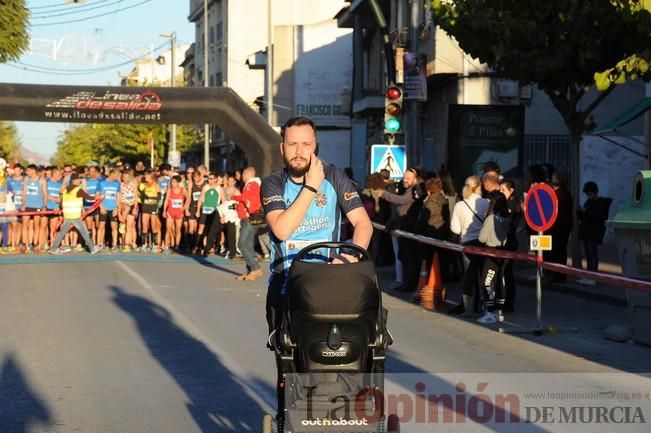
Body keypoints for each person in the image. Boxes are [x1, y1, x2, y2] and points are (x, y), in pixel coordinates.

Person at [260, 116, 372, 426]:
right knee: (291, 360)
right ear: (282, 148)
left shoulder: (336, 177)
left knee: (349, 350)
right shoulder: (272, 184)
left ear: (315, 146)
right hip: (287, 284)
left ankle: (345, 410)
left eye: (306, 144)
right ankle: (290, 416)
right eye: (293, 144)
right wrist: (310, 187)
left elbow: (362, 224)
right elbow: (282, 229)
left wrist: (348, 259)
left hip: (330, 284)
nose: (299, 151)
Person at [450, 175, 489, 316]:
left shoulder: (460, 205)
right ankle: (484, 304)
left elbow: (455, 229)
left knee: (468, 275)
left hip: (467, 244)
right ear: (478, 186)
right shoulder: (487, 202)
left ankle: (469, 306)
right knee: (484, 275)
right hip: (484, 243)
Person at [477, 190, 511, 324]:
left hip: (491, 253)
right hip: (504, 253)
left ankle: (490, 311)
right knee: (500, 281)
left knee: (487, 281)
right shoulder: (508, 218)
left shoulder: (491, 218)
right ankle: (499, 311)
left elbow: (481, 238)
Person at [49, 173, 102, 255]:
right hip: (75, 216)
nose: (80, 181)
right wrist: (100, 197)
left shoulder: (66, 190)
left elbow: (62, 202)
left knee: (62, 233)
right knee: (84, 232)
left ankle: (53, 249)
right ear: (76, 181)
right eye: (79, 180)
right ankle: (92, 248)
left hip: (67, 215)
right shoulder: (78, 190)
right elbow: (90, 198)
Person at [577, 181, 612, 285]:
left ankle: (594, 277)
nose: (588, 196)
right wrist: (580, 212)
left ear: (595, 192)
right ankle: (589, 276)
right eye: (587, 194)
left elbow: (598, 217)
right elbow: (584, 217)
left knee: (592, 255)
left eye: (590, 194)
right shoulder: (588, 202)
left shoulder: (600, 203)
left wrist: (585, 212)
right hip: (587, 232)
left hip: (593, 233)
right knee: (588, 255)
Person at [231, 166, 263, 280]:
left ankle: (255, 268)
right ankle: (250, 271)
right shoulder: (250, 184)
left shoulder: (252, 184)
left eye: (244, 174)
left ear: (248, 174)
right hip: (247, 217)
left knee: (241, 244)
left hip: (249, 217)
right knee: (248, 244)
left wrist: (234, 196)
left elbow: (247, 198)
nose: (242, 177)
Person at [545, 171, 573, 283]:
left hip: (556, 226)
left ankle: (556, 275)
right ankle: (560, 275)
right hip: (564, 226)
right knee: (561, 251)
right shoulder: (566, 193)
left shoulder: (556, 194)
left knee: (555, 251)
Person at [499, 179, 522, 312]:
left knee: (507, 273)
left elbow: (510, 226)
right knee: (505, 272)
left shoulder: (513, 205)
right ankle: (505, 299)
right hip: (505, 242)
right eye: (500, 190)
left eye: (503, 190)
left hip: (509, 243)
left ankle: (509, 301)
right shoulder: (505, 203)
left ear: (511, 190)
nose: (501, 193)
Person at [21, 164, 47, 253]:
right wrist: (23, 204)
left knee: (36, 225)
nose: (26, 172)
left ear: (33, 170)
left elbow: (45, 194)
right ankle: (25, 244)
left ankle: (35, 244)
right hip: (28, 205)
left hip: (37, 206)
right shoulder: (26, 179)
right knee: (25, 224)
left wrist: (44, 206)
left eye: (28, 171)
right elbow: (24, 192)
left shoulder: (41, 180)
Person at [97, 169, 121, 250]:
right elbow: (97, 196)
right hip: (104, 208)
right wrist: (101, 206)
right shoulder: (101, 183)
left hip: (113, 208)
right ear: (111, 174)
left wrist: (117, 208)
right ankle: (99, 244)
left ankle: (114, 245)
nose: (117, 177)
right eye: (116, 175)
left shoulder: (117, 184)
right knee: (101, 226)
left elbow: (118, 197)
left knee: (114, 227)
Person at [163, 175, 188, 253]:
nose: (172, 183)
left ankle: (177, 246)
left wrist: (184, 208)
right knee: (168, 229)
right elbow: (166, 200)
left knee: (178, 230)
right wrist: (164, 210)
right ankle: (167, 246)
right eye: (171, 182)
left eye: (174, 182)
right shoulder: (169, 190)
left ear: (178, 183)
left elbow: (188, 199)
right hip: (170, 211)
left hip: (179, 212)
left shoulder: (183, 190)